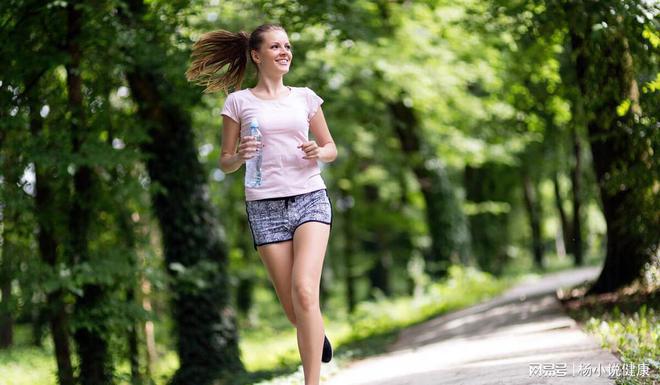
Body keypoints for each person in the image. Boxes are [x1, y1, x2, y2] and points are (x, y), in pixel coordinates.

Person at [185, 23, 337, 385]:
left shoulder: (304, 97)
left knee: (304, 290)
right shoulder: (238, 102)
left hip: (309, 197)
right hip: (264, 205)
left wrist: (321, 151)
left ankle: (311, 381)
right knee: (293, 308)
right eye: (275, 47)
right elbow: (224, 160)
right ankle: (315, 330)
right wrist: (238, 156)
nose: (285, 52)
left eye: (287, 46)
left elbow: (330, 147)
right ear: (256, 55)